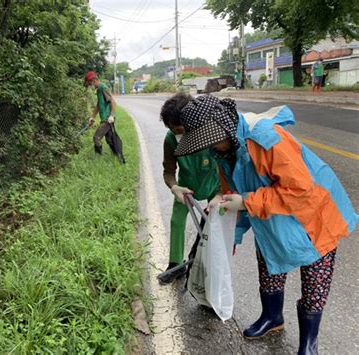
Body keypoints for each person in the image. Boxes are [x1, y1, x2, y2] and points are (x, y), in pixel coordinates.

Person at [160, 93, 357, 355]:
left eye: (210, 142)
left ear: (222, 127)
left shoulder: (265, 138)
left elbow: (300, 191)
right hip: (270, 213)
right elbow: (231, 189)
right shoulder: (222, 148)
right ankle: (272, 317)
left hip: (314, 214)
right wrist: (230, 230)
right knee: (269, 265)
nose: (208, 148)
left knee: (314, 279)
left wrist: (246, 201)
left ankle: (309, 342)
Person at [159, 104, 221, 283]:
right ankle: (175, 264)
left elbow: (227, 164)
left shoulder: (209, 133)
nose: (177, 134)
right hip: (186, 188)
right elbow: (169, 171)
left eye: (180, 129)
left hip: (213, 185)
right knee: (176, 221)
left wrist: (219, 194)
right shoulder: (170, 140)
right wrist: (174, 187)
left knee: (213, 225)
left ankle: (206, 262)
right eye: (172, 129)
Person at [84, 70, 116, 155]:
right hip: (104, 119)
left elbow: (113, 102)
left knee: (96, 137)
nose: (90, 86)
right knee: (109, 140)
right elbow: (98, 104)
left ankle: (98, 157)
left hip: (107, 119)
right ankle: (117, 154)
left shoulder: (103, 88)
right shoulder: (98, 90)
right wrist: (92, 117)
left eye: (90, 83)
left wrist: (112, 116)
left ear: (94, 80)